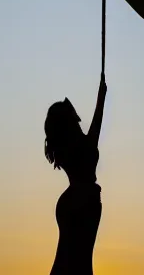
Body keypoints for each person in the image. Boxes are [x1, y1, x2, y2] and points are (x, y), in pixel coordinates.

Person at [44, 73, 107, 275]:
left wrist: (101, 96)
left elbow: (95, 126)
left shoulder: (75, 149)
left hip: (74, 200)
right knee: (77, 258)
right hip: (80, 200)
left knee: (70, 256)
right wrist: (101, 97)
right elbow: (96, 126)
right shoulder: (81, 148)